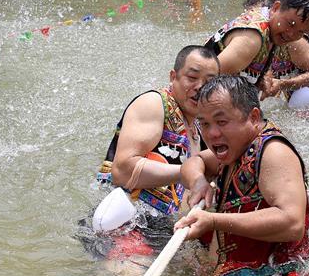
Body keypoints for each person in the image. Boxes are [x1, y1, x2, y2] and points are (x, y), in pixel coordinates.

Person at [172, 75, 309, 276]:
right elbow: (193, 162)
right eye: (204, 123)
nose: (212, 133)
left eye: (221, 121)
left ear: (253, 116)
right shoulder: (234, 145)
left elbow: (292, 223)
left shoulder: (273, 152)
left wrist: (213, 220)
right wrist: (199, 182)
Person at [86, 45, 220, 257]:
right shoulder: (154, 104)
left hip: (160, 227)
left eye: (210, 82)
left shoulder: (199, 127)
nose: (200, 87)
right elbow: (123, 171)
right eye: (192, 77)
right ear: (173, 76)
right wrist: (188, 173)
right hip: (125, 222)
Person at [204, 0, 309, 89]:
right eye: (290, 24)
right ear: (275, 8)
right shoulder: (251, 40)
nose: (291, 34)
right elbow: (205, 79)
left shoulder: (272, 29)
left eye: (301, 31)